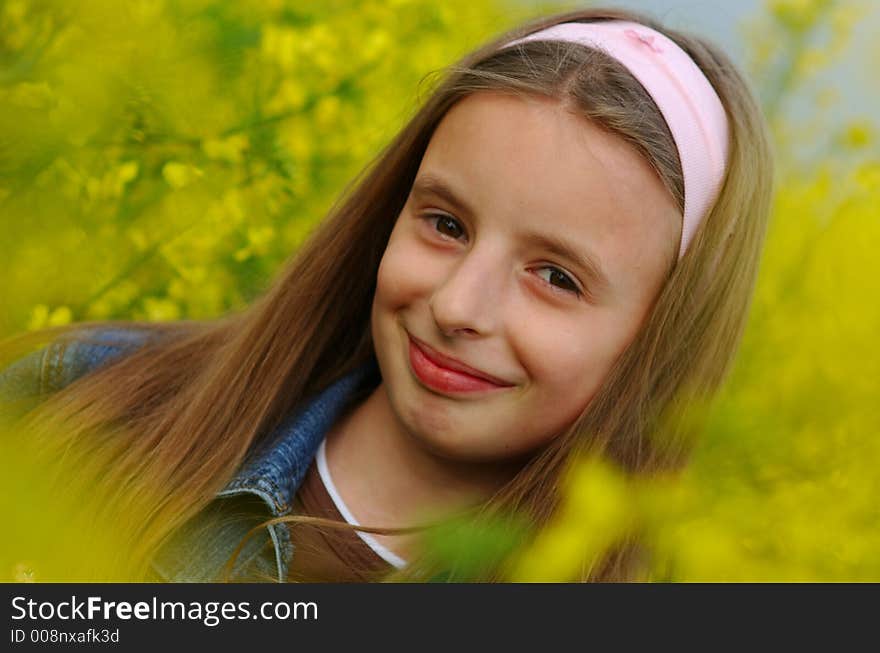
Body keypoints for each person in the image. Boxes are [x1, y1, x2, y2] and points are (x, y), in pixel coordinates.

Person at [0, 6, 774, 582]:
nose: (457, 306)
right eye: (444, 223)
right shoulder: (79, 397)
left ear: (659, 339)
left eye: (557, 277)